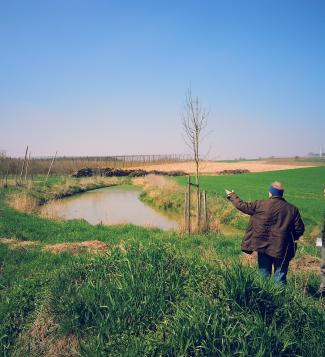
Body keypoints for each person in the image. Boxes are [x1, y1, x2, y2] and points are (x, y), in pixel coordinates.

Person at [225, 182, 305, 285]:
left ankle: (265, 298)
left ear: (270, 193)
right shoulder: (292, 209)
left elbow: (242, 206)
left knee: (263, 277)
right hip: (282, 248)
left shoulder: (260, 205)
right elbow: (299, 229)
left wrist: (232, 195)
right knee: (280, 279)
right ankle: (281, 300)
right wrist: (287, 238)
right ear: (281, 194)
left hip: (263, 247)